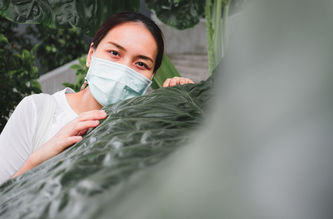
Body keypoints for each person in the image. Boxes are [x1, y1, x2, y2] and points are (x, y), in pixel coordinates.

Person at [0, 11, 194, 184]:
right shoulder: (37, 110)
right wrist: (39, 158)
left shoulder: (146, 131)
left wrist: (187, 113)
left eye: (141, 64)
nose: (124, 70)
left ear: (151, 77)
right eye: (114, 53)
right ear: (91, 54)